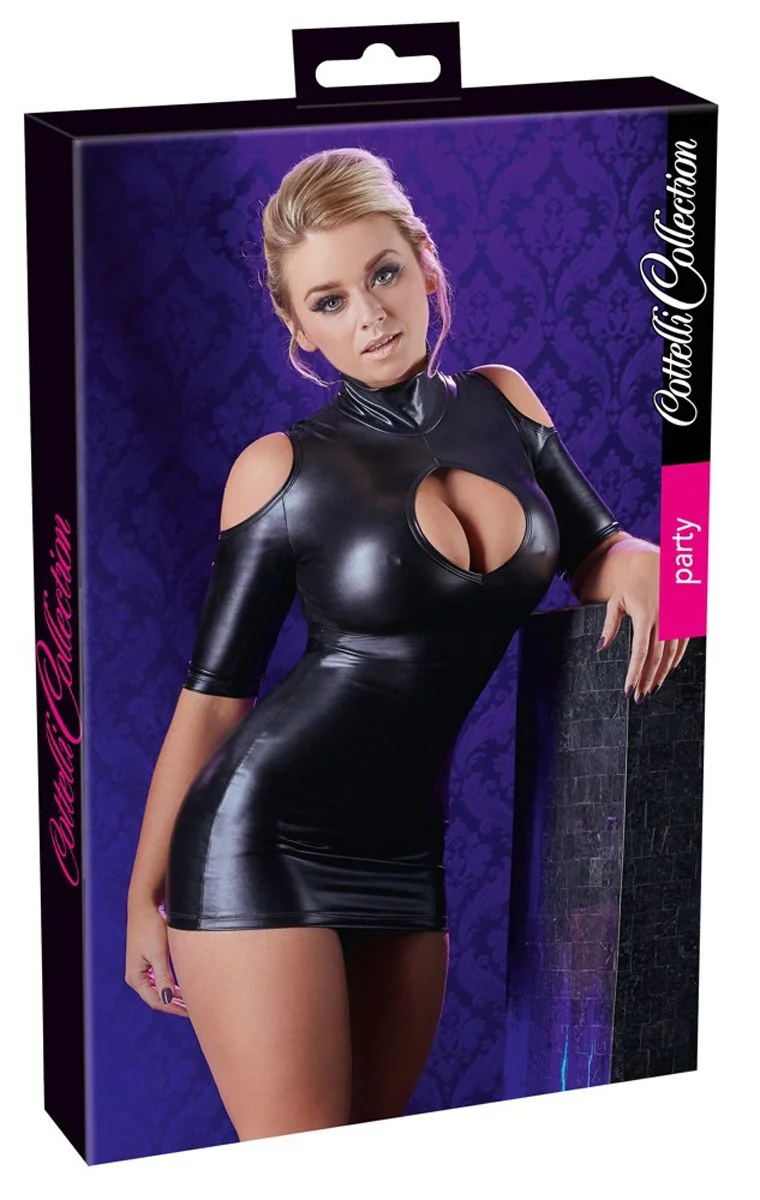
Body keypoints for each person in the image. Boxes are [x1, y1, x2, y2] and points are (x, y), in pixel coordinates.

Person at [125, 147, 688, 1143]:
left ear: (424, 262)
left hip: (405, 852)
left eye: (383, 273)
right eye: (329, 300)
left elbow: (597, 550)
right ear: (298, 327)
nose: (370, 314)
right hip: (261, 838)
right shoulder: (281, 470)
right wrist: (143, 896)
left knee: (377, 1158)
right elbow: (214, 699)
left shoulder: (503, 405)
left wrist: (647, 548)